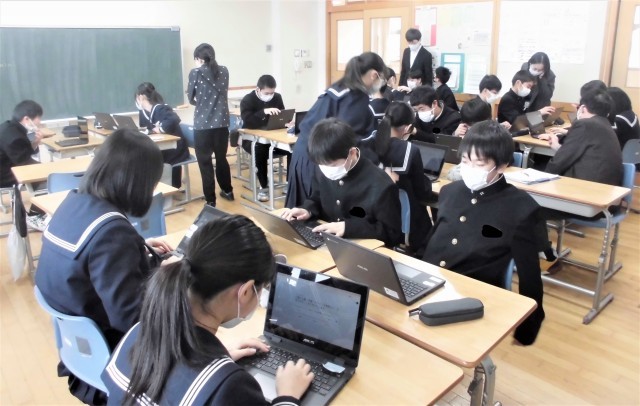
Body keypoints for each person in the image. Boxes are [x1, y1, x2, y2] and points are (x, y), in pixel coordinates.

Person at [102, 216, 314, 405]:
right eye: (262, 289)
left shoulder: (137, 332)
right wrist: (288, 396)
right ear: (245, 291)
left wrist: (215, 359)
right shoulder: (230, 387)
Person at [35, 128, 172, 405]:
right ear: (137, 182)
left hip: (79, 348)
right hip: (113, 354)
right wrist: (169, 276)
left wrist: (139, 249)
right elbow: (133, 319)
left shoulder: (73, 203)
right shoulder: (112, 232)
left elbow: (92, 259)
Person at [422, 120, 545, 345]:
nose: (469, 169)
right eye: (465, 161)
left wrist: (527, 329)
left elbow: (530, 275)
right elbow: (434, 240)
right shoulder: (450, 191)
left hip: (471, 297)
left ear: (502, 165)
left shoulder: (521, 208)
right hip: (429, 283)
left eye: (479, 163)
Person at [286, 52, 387, 208]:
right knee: (315, 210)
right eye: (382, 77)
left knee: (301, 211)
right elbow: (349, 139)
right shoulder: (355, 97)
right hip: (321, 159)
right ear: (374, 75)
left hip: (302, 154)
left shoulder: (339, 87)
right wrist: (378, 168)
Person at [283, 118, 402, 247]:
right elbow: (317, 198)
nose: (326, 170)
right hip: (327, 242)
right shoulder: (323, 168)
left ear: (352, 153)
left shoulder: (381, 185)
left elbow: (392, 234)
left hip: (363, 248)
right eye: (321, 165)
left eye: (333, 165)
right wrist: (307, 210)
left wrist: (348, 228)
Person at [372, 101, 432, 251]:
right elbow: (421, 191)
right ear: (407, 128)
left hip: (374, 213)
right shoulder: (411, 150)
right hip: (404, 219)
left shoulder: (368, 141)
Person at [540, 88, 623, 186]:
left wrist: (542, 179)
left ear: (583, 108)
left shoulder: (585, 124)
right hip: (608, 186)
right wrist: (558, 147)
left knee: (539, 167)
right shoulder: (605, 124)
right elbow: (585, 154)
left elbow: (560, 161)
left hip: (586, 186)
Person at [187, 43, 234, 206]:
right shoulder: (224, 71)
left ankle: (211, 200)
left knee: (205, 163)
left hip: (202, 126)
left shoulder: (195, 73)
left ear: (198, 58)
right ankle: (228, 191)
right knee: (221, 159)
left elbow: (191, 98)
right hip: (222, 123)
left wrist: (202, 103)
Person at [240, 74, 291, 202]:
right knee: (260, 149)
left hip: (273, 138)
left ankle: (290, 182)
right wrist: (264, 112)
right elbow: (248, 121)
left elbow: (282, 115)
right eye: (267, 93)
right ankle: (264, 186)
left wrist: (287, 122)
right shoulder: (248, 99)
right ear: (258, 89)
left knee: (293, 149)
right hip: (252, 139)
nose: (270, 95)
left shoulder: (277, 97)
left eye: (272, 92)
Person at [136, 82, 190, 189]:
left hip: (175, 149)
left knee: (152, 158)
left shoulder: (161, 108)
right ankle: (152, 186)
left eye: (137, 97)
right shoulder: (143, 112)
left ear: (141, 97)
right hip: (162, 147)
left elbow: (174, 119)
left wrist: (160, 129)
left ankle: (168, 186)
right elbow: (146, 128)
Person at [0, 100, 44, 187]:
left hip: (8, 165)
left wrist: (35, 143)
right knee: (43, 174)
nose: (40, 122)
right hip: (4, 175)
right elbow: (22, 162)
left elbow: (23, 154)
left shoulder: (11, 126)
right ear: (26, 119)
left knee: (42, 169)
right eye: (39, 118)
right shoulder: (15, 137)